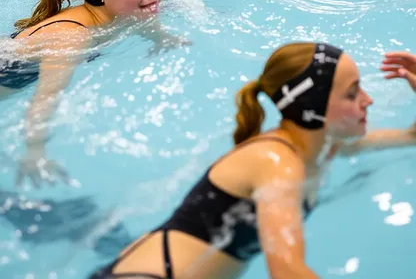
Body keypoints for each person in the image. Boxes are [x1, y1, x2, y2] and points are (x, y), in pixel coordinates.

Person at [88, 42, 416, 279]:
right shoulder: (278, 163)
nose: (368, 100)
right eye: (352, 92)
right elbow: (287, 270)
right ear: (313, 107)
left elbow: (411, 138)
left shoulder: (321, 148)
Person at [0, 0, 163, 186]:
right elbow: (46, 97)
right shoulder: (71, 37)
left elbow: (139, 19)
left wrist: (162, 38)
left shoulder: (112, 11)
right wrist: (35, 151)